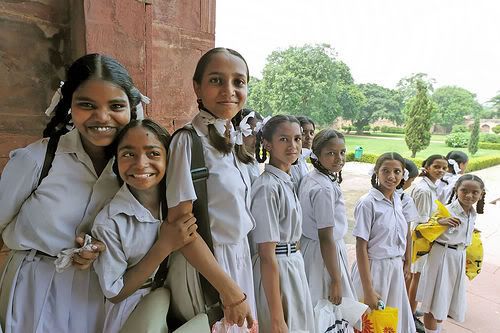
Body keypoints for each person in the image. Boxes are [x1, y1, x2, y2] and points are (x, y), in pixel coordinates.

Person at [0, 54, 143, 332]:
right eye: (87, 105)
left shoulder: (135, 170)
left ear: (131, 108)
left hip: (97, 296)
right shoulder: (36, 160)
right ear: (69, 106)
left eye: (116, 106)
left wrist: (103, 250)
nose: (102, 117)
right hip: (34, 291)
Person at [165, 47, 255, 328]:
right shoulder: (188, 142)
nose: (229, 90)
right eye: (216, 80)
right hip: (210, 268)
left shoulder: (233, 142)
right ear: (197, 87)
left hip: (240, 262)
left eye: (238, 82)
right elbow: (181, 226)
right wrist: (228, 290)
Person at [92, 119, 198, 333]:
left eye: (153, 153)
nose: (141, 164)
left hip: (179, 304)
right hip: (132, 314)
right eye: (128, 154)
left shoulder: (179, 205)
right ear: (116, 159)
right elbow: (115, 292)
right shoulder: (111, 221)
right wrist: (164, 246)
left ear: (169, 158)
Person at [250, 115, 314, 333]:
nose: (293, 145)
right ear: (268, 143)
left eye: (297, 139)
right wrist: (277, 319)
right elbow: (266, 253)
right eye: (284, 139)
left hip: (293, 264)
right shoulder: (267, 187)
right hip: (278, 268)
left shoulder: (286, 181)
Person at [351, 152, 416, 333]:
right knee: (371, 322)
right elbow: (361, 247)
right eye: (385, 171)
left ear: (403, 174)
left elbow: (406, 234)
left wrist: (407, 262)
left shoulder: (398, 200)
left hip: (395, 270)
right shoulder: (368, 203)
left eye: (397, 171)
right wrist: (368, 289)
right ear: (376, 173)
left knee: (391, 321)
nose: (391, 176)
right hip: (374, 270)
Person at [417, 175, 485, 333]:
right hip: (442, 257)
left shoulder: (471, 214)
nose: (469, 195)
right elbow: (420, 230)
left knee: (444, 301)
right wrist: (439, 222)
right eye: (464, 191)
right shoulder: (445, 210)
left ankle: (437, 330)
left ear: (481, 194)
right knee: (433, 303)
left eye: (475, 192)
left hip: (458, 259)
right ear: (457, 190)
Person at [299, 129, 357, 308]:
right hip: (323, 255)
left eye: (342, 152)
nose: (339, 158)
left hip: (315, 249)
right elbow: (326, 237)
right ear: (316, 155)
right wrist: (336, 279)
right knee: (325, 308)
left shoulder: (314, 177)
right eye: (330, 153)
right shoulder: (323, 188)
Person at [408, 155, 448, 331]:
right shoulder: (424, 190)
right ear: (427, 167)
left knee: (415, 276)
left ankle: (411, 309)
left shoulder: (431, 187)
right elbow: (422, 221)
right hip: (421, 237)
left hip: (423, 235)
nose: (440, 170)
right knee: (416, 277)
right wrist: (441, 223)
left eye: (444, 168)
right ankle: (409, 314)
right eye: (436, 166)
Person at [398, 159, 420, 293]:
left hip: (396, 257)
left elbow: (407, 234)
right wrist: (408, 262)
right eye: (411, 181)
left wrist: (407, 262)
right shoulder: (370, 200)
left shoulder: (405, 200)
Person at [236, 108, 263, 183]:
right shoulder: (235, 165)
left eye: (260, 135)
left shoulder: (252, 162)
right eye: (251, 134)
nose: (257, 140)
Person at [290, 116, 315, 189]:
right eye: (304, 133)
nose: (309, 137)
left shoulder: (302, 159)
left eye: (311, 133)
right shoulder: (292, 164)